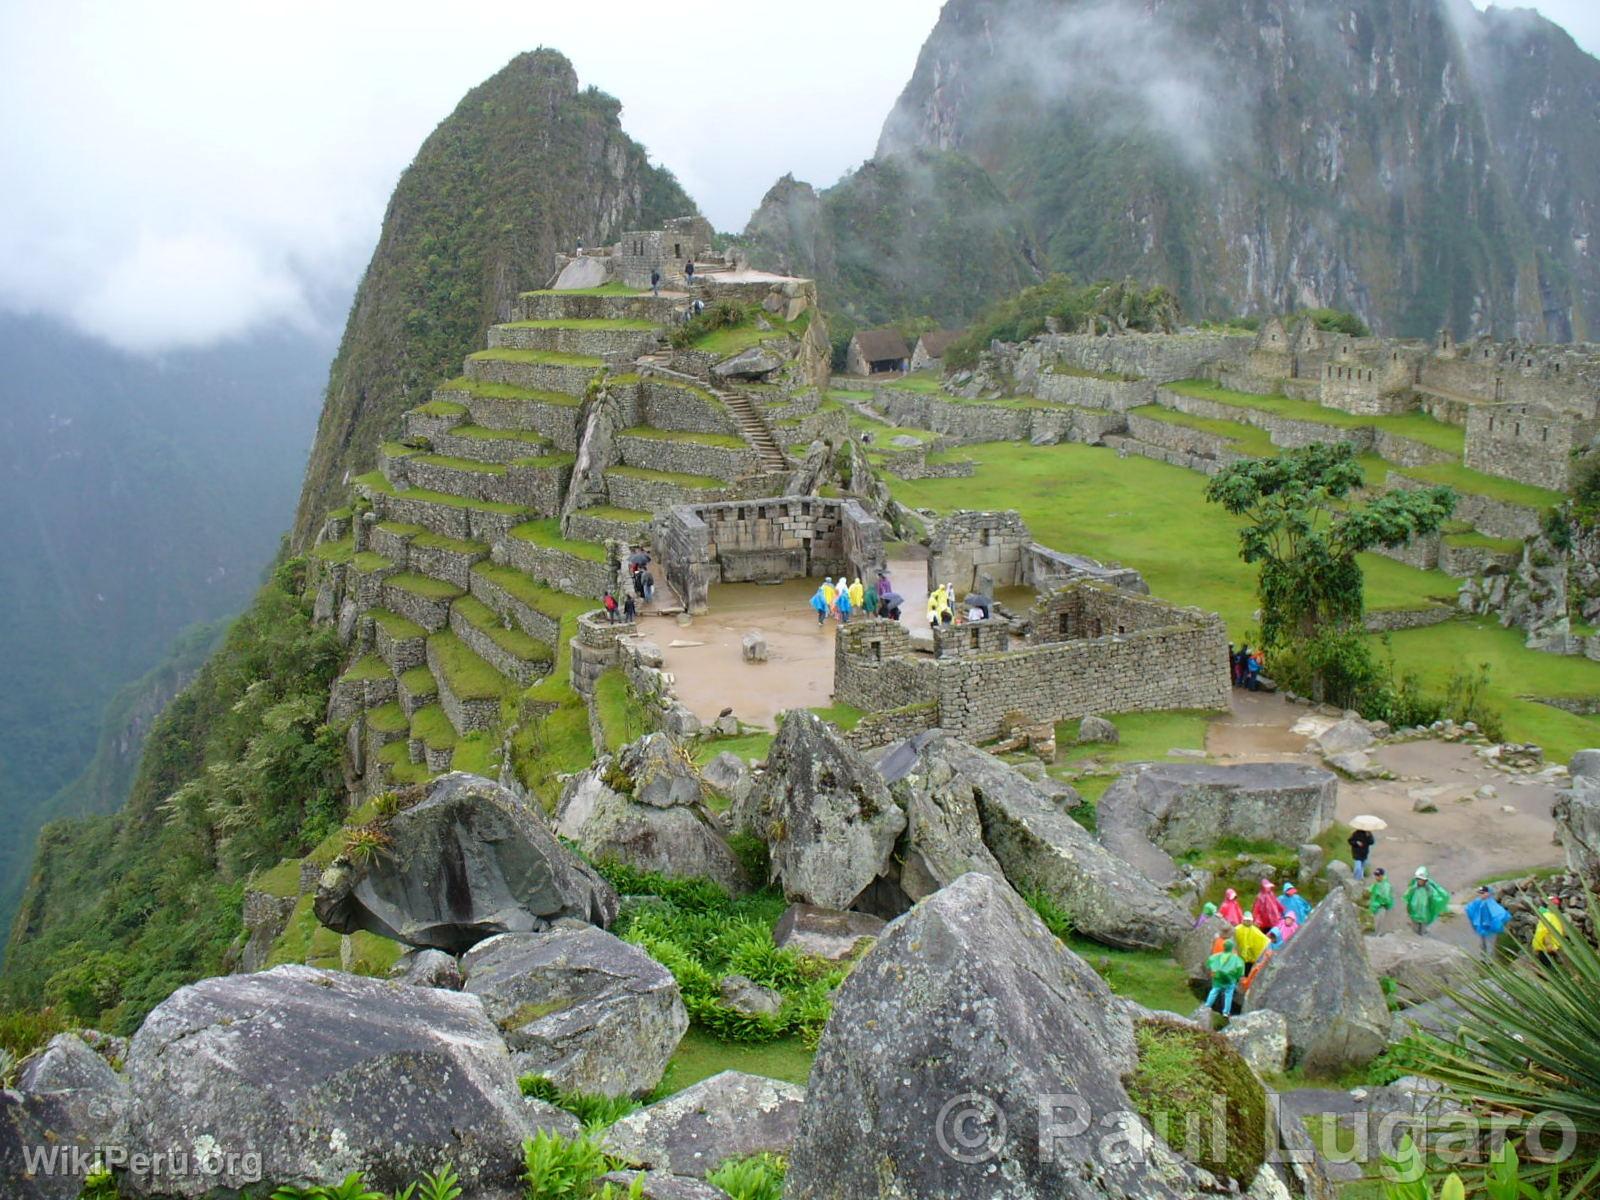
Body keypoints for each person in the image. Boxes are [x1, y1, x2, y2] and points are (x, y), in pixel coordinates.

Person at [1464, 884, 1511, 961]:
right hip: (1482, 928)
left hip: (1491, 929)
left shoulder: (1491, 903)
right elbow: (1470, 908)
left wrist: (1495, 925)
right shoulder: (1478, 902)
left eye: (1483, 893)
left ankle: (1490, 962)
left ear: (1488, 893)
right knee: (1483, 944)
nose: (1481, 895)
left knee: (1490, 945)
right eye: (1480, 893)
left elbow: (1501, 914)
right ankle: (1483, 959)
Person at [1204, 939, 1247, 1016]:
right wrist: (1237, 978)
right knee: (1228, 995)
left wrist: (1213, 971)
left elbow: (1208, 963)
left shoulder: (1217, 956)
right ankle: (1226, 1012)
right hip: (1229, 979)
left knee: (1214, 991)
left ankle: (1207, 1006)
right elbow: (1240, 971)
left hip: (1218, 978)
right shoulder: (1236, 958)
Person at [1405, 866, 1450, 935]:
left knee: (1422, 931)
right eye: (1418, 879)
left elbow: (1436, 898)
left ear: (1425, 880)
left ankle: (1422, 937)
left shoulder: (1429, 889)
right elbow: (1408, 897)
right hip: (1415, 913)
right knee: (1414, 931)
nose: (1419, 881)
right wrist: (1409, 908)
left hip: (1424, 914)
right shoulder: (1413, 888)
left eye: (1421, 880)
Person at [1532, 895, 1567, 969]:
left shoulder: (1553, 915)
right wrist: (1548, 944)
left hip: (1554, 945)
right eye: (1554, 904)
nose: (1556, 906)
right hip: (1547, 946)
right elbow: (1544, 931)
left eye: (1557, 904)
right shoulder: (1548, 916)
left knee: (1555, 965)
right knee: (1548, 966)